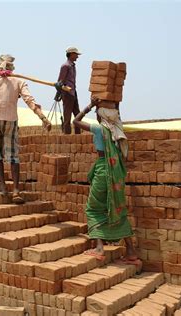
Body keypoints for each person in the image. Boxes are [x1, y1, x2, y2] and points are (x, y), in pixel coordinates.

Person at [0, 54, 51, 204]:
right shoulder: (19, 80)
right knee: (13, 155)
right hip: (11, 120)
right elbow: (29, 100)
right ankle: (16, 191)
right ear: (12, 67)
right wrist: (42, 117)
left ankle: (3, 187)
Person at [73, 97, 138, 263]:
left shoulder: (99, 128)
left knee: (93, 208)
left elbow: (76, 121)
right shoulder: (118, 129)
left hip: (104, 171)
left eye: (97, 113)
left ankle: (100, 248)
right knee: (118, 208)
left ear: (100, 115)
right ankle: (130, 251)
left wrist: (90, 105)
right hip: (116, 173)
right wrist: (115, 105)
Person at [58, 46, 82, 134]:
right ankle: (67, 135)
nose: (77, 57)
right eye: (76, 54)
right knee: (67, 115)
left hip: (73, 92)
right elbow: (60, 81)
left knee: (78, 115)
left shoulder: (72, 66)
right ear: (71, 54)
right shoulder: (65, 66)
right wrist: (60, 94)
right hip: (67, 92)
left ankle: (78, 135)